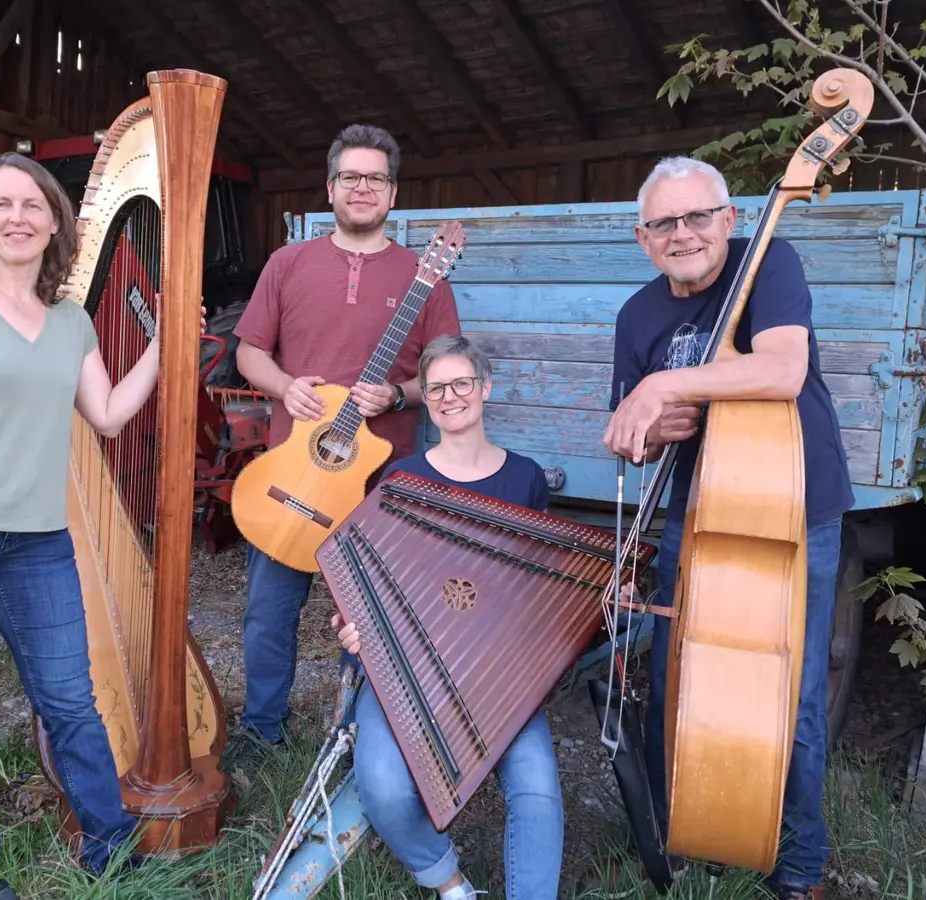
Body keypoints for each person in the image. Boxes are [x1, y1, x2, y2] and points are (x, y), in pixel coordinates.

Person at [0, 152, 188, 898]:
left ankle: (109, 846)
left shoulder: (69, 321)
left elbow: (111, 417)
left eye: (34, 205)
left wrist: (165, 343)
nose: (18, 217)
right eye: (2, 204)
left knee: (70, 701)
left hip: (39, 542)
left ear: (56, 224)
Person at [602, 156, 853, 900]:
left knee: (791, 692)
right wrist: (649, 427)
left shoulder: (769, 261)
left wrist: (667, 382)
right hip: (700, 509)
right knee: (677, 676)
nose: (683, 234)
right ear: (642, 237)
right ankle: (678, 832)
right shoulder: (637, 316)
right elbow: (631, 434)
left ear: (730, 219)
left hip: (793, 508)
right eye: (664, 224)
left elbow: (779, 370)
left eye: (698, 216)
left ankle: (797, 866)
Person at [232, 123, 461, 747]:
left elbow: (443, 375)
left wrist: (396, 394)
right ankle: (261, 731)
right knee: (268, 614)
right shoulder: (288, 263)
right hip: (293, 473)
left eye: (376, 179)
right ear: (330, 188)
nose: (364, 188)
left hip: (377, 481)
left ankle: (358, 737)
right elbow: (249, 351)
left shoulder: (424, 275)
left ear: (393, 193)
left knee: (369, 614)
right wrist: (284, 387)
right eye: (351, 177)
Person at [332, 334, 564, 900]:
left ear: (484, 389)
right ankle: (450, 883)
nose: (450, 396)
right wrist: (351, 632)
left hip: (494, 675)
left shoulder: (525, 479)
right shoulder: (399, 481)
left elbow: (540, 587)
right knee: (384, 786)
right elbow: (365, 577)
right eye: (437, 388)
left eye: (463, 383)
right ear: (426, 400)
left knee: (537, 788)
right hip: (406, 669)